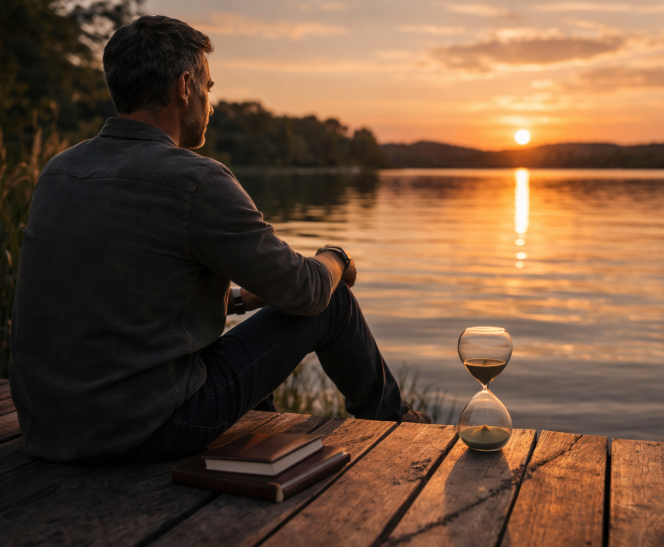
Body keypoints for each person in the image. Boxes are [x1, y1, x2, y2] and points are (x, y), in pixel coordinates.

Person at [9, 15, 430, 464]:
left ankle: (271, 430)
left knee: (252, 323)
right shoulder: (196, 180)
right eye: (209, 89)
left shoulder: (59, 171)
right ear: (184, 87)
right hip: (146, 430)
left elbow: (117, 298)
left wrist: (242, 300)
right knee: (331, 302)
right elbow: (306, 291)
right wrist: (336, 257)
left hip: (49, 429)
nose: (212, 105)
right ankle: (399, 428)